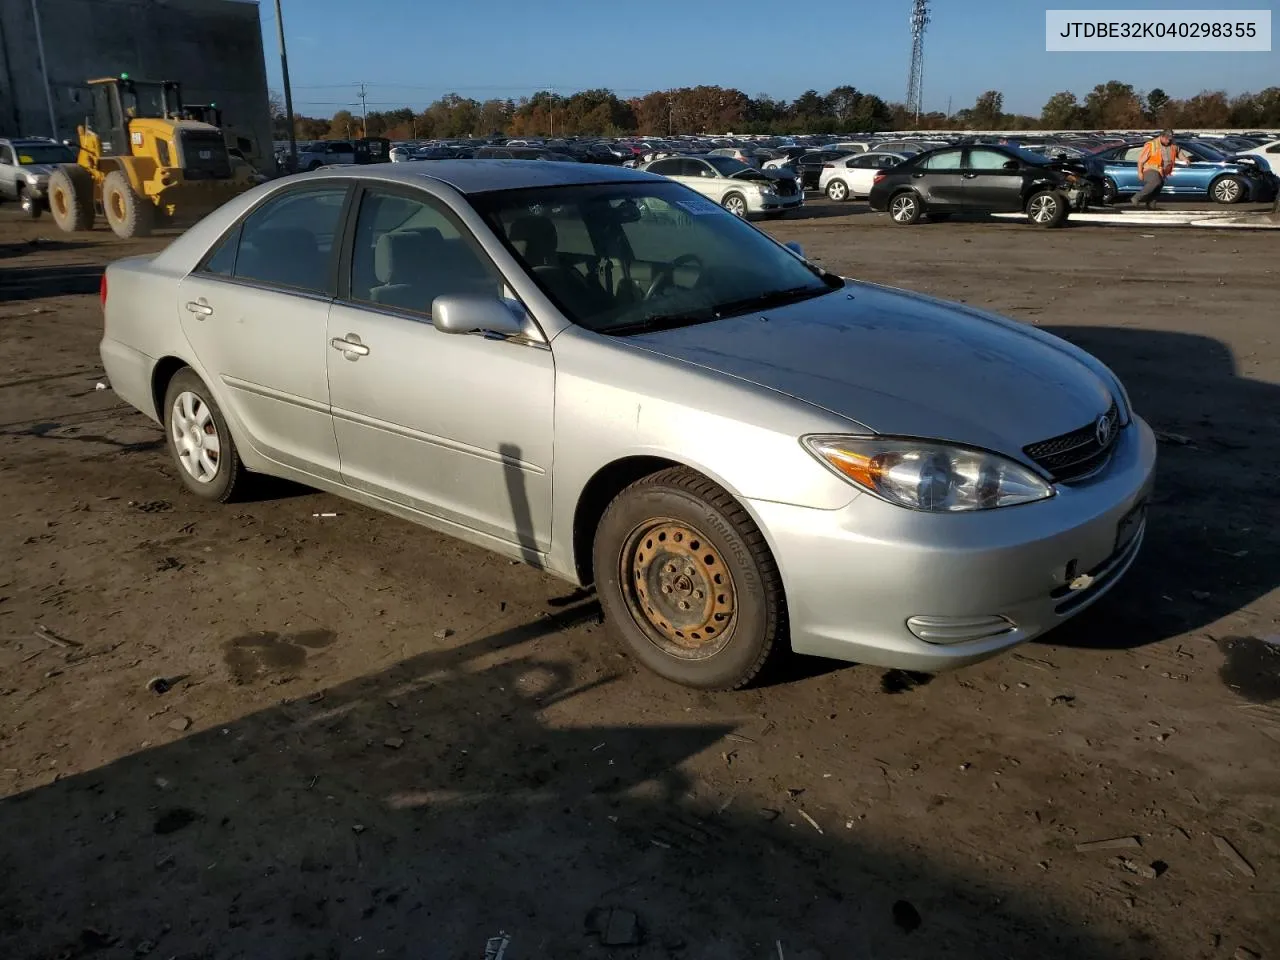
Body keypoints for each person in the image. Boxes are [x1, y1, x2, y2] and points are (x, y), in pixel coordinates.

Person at [1132, 129, 1187, 209]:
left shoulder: (1173, 145)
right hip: (1150, 169)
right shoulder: (1152, 145)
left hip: (1162, 171)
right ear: (1162, 137)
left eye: (1170, 139)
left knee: (1159, 185)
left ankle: (1151, 204)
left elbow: (1179, 153)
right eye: (1167, 139)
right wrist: (1140, 172)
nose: (1168, 141)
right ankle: (1136, 197)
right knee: (1156, 181)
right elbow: (1140, 161)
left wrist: (1185, 159)